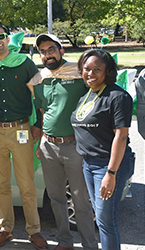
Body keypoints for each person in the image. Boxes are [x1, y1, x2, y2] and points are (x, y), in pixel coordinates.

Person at [0, 23, 48, 249]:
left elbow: (39, 96)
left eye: (1, 36)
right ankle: (5, 228)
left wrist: (38, 124)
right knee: (2, 185)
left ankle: (34, 231)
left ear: (8, 39)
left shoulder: (25, 63)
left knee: (27, 184)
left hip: (22, 130)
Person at [28, 34, 98, 250]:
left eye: (51, 49)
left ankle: (90, 245)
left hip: (75, 146)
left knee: (81, 201)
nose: (47, 54)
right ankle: (65, 242)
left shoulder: (80, 74)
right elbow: (41, 111)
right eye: (43, 51)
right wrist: (38, 142)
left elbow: (96, 105)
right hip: (48, 146)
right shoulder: (39, 80)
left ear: (61, 51)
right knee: (57, 199)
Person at [71, 49, 134, 250]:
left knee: (106, 221)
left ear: (107, 71)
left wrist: (111, 173)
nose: (91, 73)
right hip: (89, 164)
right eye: (87, 69)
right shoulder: (87, 95)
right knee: (100, 217)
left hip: (108, 165)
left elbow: (121, 136)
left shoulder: (117, 96)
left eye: (97, 69)